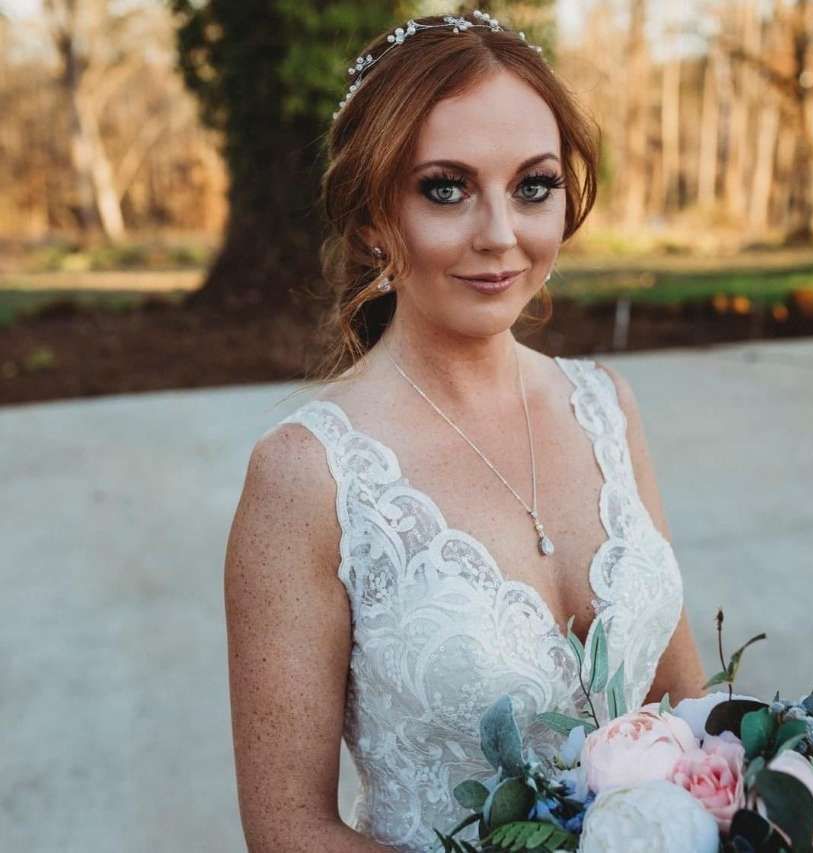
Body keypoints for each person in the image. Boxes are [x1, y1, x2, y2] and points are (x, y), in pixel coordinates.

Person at [224, 10, 707, 852]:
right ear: (374, 215)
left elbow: (682, 705)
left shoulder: (606, 405)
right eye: (444, 187)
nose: (499, 235)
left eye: (533, 185)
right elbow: (285, 829)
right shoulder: (309, 476)